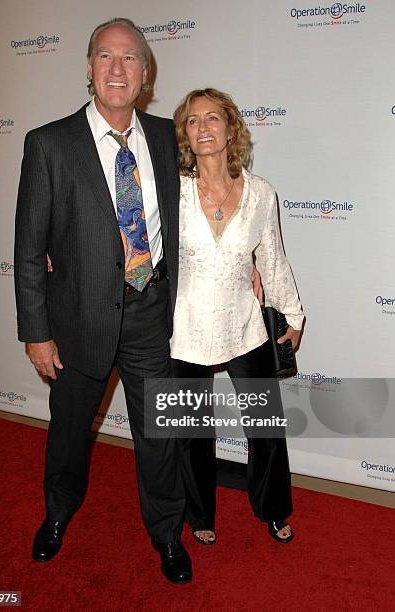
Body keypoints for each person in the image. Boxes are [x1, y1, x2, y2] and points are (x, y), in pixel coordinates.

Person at [14, 18, 192, 584]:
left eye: (130, 58)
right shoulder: (48, 143)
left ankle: (167, 534)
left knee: (160, 435)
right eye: (105, 57)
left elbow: (211, 206)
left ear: (145, 73)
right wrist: (36, 332)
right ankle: (58, 514)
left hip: (151, 313)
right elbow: (27, 250)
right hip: (76, 319)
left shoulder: (167, 138)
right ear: (89, 69)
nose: (117, 68)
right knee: (69, 431)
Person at [170, 88, 304, 545]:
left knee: (266, 428)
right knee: (190, 432)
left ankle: (272, 508)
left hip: (244, 324)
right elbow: (135, 245)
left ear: (230, 128)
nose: (203, 128)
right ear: (185, 133)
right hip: (182, 328)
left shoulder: (262, 193)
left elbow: (272, 259)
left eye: (212, 118)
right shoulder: (174, 190)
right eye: (192, 120)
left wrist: (293, 314)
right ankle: (199, 514)